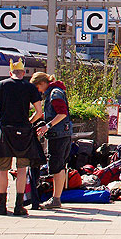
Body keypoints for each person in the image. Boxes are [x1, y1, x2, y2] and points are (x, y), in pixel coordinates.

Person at [0, 59, 43, 216]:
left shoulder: (1, 85)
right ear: (24, 73)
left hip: (5, 132)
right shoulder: (30, 88)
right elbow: (39, 112)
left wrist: (3, 119)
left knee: (3, 169)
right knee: (21, 169)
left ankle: (1, 206)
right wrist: (28, 122)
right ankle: (19, 206)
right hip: (24, 133)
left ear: (10, 72)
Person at [31, 72, 72, 210]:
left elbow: (62, 113)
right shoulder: (55, 91)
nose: (38, 91)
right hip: (62, 133)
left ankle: (56, 199)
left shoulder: (54, 94)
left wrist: (47, 126)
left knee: (57, 167)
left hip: (58, 135)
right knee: (58, 166)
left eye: (37, 87)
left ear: (42, 83)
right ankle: (56, 198)